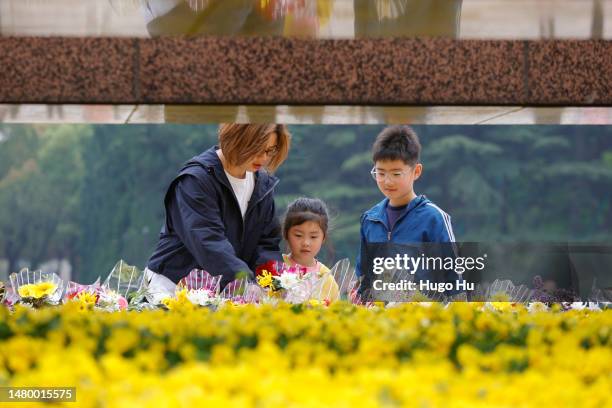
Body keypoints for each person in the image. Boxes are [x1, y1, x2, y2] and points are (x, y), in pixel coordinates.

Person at [145, 124, 291, 300]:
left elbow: (266, 243)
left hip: (225, 293)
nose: (263, 158)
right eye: (256, 149)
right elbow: (208, 242)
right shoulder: (195, 181)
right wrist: (244, 283)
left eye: (270, 150)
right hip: (172, 289)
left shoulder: (262, 184)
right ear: (236, 139)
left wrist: (271, 284)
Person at [355, 125, 460, 295]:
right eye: (380, 173)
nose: (387, 182)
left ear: (416, 171)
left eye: (396, 174)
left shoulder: (434, 219)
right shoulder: (370, 219)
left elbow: (454, 278)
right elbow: (363, 276)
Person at [282, 197, 339, 302]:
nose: (306, 243)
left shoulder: (327, 278)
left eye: (313, 237)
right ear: (286, 234)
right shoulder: (275, 268)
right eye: (298, 235)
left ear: (323, 238)